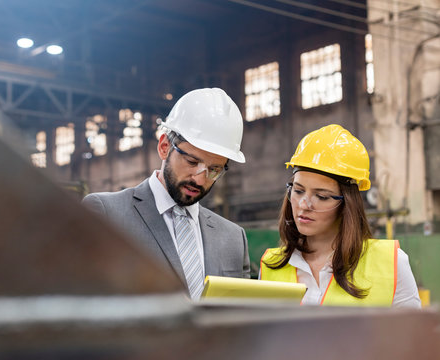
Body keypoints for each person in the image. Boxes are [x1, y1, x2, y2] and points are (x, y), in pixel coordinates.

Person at [82, 88, 251, 300]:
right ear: (164, 147)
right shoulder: (107, 215)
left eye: (214, 170)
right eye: (192, 162)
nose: (200, 179)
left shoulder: (233, 238)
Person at [260, 124, 421, 308]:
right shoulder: (270, 266)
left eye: (321, 196)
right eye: (298, 191)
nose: (304, 205)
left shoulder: (391, 263)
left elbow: (414, 336)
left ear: (347, 204)